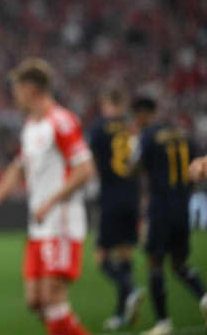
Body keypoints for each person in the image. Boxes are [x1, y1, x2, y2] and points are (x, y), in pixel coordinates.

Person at [0, 58, 95, 335]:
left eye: (17, 88)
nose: (14, 94)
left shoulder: (61, 121)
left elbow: (85, 169)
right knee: (35, 301)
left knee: (52, 298)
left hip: (60, 220)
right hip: (39, 224)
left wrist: (50, 201)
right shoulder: (31, 126)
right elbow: (18, 168)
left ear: (30, 88)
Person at [130, 96, 207, 335]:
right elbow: (197, 166)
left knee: (155, 262)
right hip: (183, 205)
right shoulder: (183, 134)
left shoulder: (147, 135)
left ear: (142, 114)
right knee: (179, 263)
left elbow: (135, 166)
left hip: (160, 206)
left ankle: (163, 322)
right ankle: (205, 297)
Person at [87, 85, 144, 330]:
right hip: (132, 197)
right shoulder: (133, 128)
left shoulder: (99, 127)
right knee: (124, 255)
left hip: (110, 198)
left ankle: (130, 290)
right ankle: (121, 314)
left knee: (101, 257)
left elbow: (88, 161)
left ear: (107, 104)